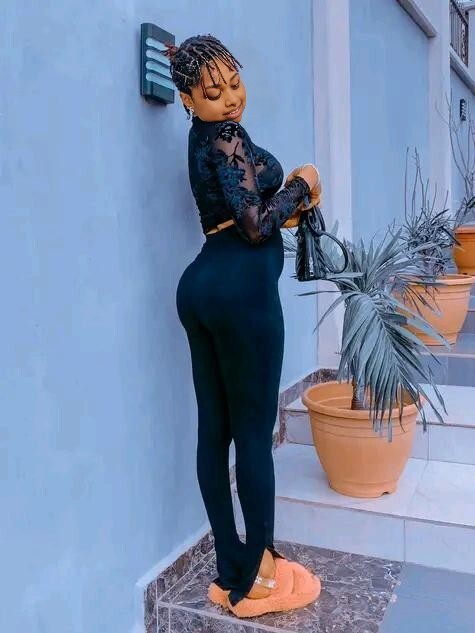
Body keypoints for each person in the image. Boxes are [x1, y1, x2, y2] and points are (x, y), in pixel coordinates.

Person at [165, 33, 321, 618]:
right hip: (242, 294)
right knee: (254, 435)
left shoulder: (203, 138)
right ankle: (260, 578)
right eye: (213, 93)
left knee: (216, 432)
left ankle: (231, 567)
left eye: (235, 84)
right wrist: (302, 185)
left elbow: (243, 205)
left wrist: (283, 201)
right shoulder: (226, 136)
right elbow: (255, 226)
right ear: (188, 99)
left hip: (201, 286)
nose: (230, 99)